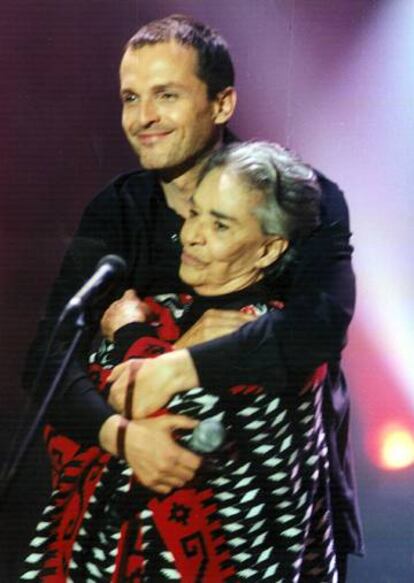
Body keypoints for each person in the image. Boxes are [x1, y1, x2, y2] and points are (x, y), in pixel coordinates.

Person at [22, 14, 362, 581]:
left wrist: (173, 369)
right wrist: (122, 437)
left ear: (222, 102)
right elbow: (47, 359)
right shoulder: (116, 211)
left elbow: (315, 331)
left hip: (277, 523)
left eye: (166, 95)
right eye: (131, 97)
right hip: (128, 531)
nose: (143, 118)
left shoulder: (303, 196)